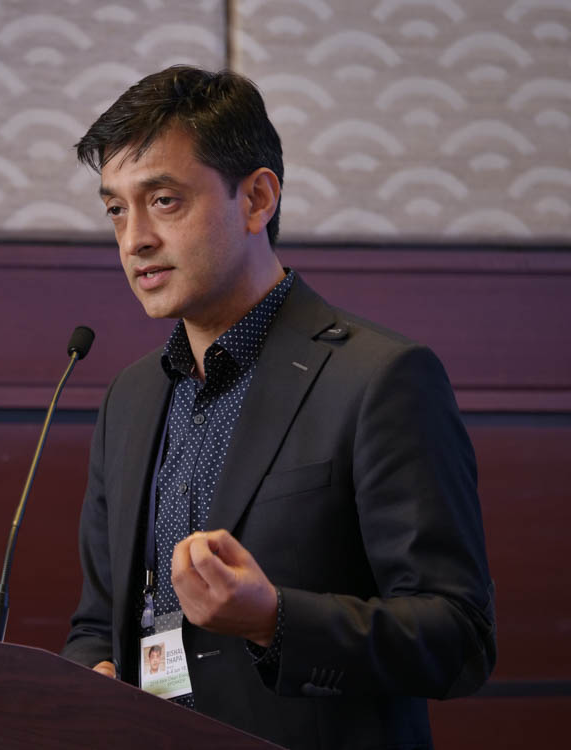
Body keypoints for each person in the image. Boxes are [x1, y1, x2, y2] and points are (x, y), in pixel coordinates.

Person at [61, 65, 496, 750]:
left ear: (257, 199)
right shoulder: (130, 397)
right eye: (116, 208)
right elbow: (98, 622)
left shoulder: (379, 378)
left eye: (164, 200)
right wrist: (94, 672)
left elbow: (458, 638)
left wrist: (274, 619)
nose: (134, 238)